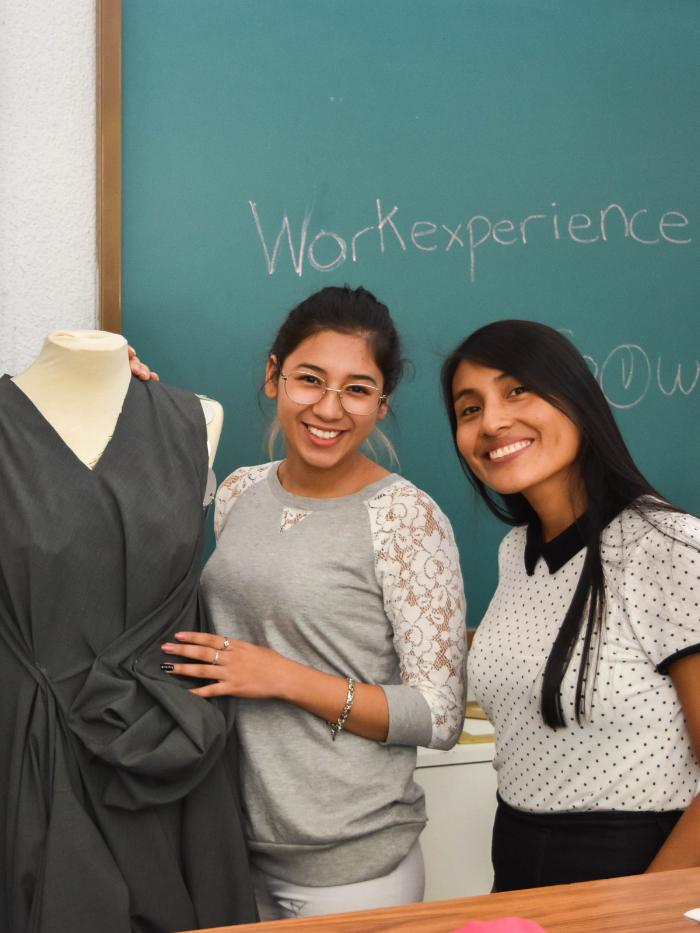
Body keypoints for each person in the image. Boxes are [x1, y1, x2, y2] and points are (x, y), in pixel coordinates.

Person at [158, 285, 468, 919]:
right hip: (228, 844)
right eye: (309, 380)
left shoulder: (405, 518)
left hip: (350, 865)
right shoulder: (239, 492)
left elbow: (439, 716)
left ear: (382, 405)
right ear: (274, 377)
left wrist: (282, 678)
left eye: (357, 389)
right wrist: (123, 385)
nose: (329, 408)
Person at [441, 319, 700, 892]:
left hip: (638, 870)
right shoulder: (516, 553)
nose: (492, 422)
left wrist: (640, 913)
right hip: (514, 856)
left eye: (517, 390)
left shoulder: (670, 546)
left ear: (578, 399)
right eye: (468, 408)